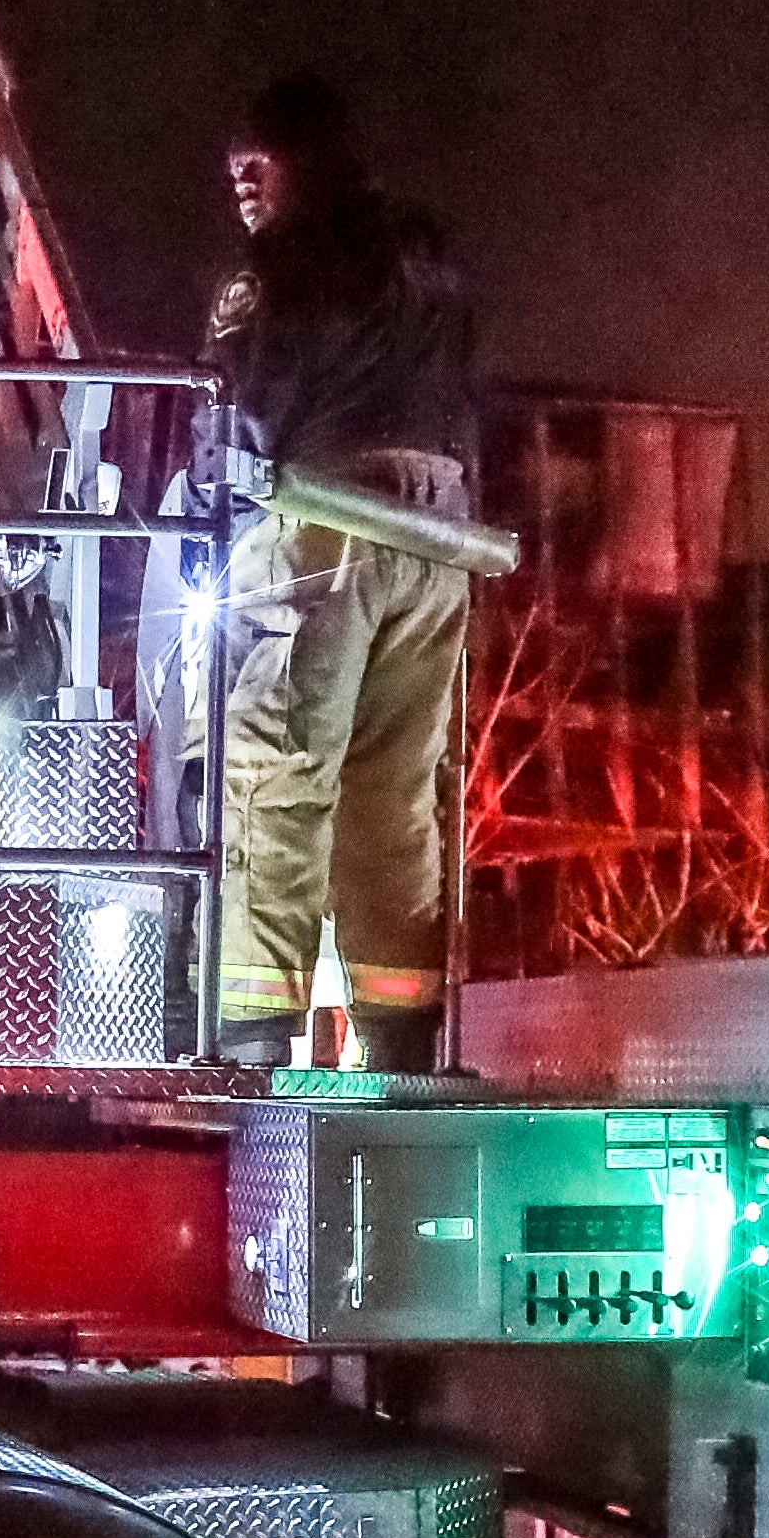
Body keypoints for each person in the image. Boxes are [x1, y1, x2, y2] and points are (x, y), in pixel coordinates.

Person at [202, 72, 484, 1075]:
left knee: (279, 776)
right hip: (443, 541)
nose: (242, 187)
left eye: (256, 167)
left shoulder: (270, 269)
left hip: (326, 526)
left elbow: (234, 402)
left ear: (299, 163)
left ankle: (248, 1038)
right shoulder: (431, 254)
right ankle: (401, 1040)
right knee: (394, 795)